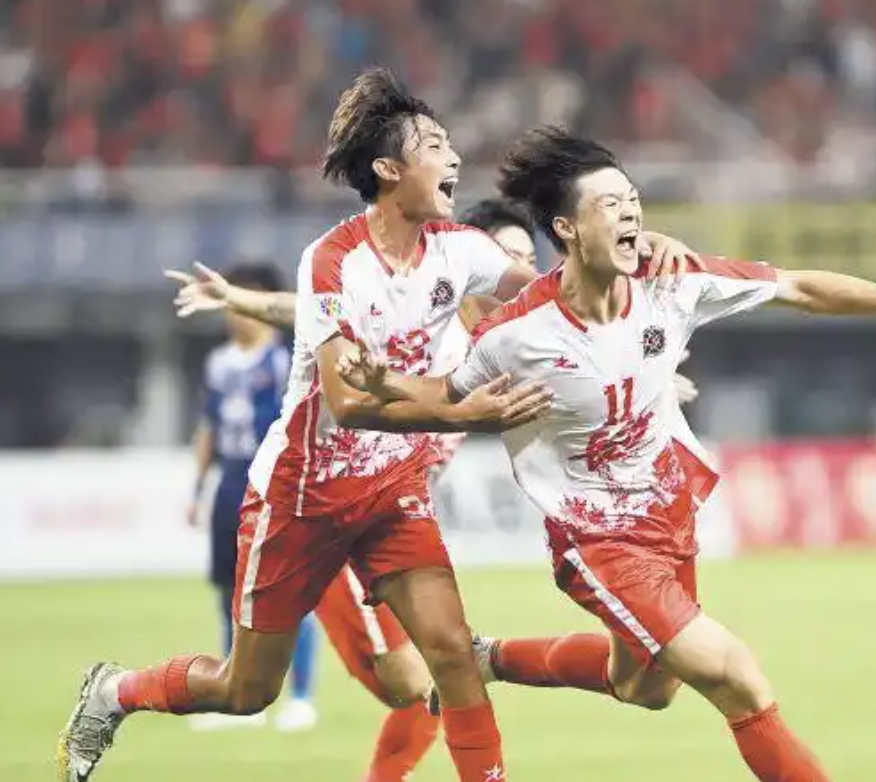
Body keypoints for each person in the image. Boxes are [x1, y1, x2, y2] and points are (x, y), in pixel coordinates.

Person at [341, 126, 876, 782]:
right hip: (599, 542)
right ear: (566, 229)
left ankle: (491, 658)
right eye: (609, 204)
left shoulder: (671, 281)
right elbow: (446, 393)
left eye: (633, 200)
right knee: (737, 677)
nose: (630, 215)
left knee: (646, 687)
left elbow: (797, 287)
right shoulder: (516, 333)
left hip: (669, 515)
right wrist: (383, 386)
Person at [56, 68, 573, 782]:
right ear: (389, 169)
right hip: (303, 496)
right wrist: (464, 413)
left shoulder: (461, 249)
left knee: (452, 655)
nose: (454, 156)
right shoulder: (334, 263)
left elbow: (553, 297)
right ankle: (114, 691)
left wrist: (626, 265)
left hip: (392, 491)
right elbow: (349, 402)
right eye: (434, 145)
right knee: (246, 689)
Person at [162, 197, 699, 782]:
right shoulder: (430, 337)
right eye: (509, 256)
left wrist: (650, 374)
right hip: (329, 514)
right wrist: (237, 299)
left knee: (446, 668)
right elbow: (315, 313)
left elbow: (595, 357)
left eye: (528, 259)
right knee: (411, 680)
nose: (522, 272)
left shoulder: (520, 350)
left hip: (390, 514)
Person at [187, 262, 320, 734]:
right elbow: (209, 429)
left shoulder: (287, 359)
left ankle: (301, 697)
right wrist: (197, 489)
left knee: (289, 595)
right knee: (230, 593)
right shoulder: (218, 363)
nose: (235, 313)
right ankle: (238, 695)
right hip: (229, 487)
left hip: (276, 487)